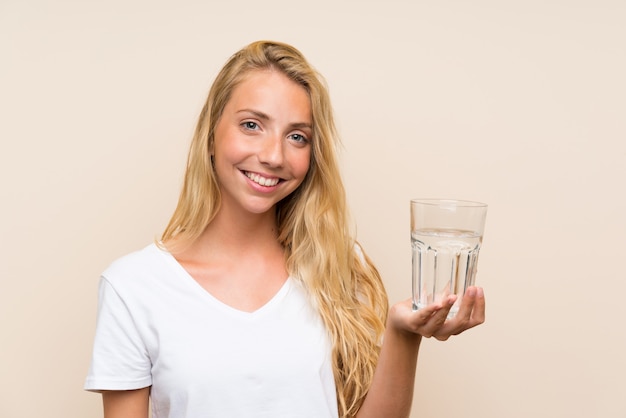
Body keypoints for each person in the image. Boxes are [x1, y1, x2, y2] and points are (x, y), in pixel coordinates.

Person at [84, 40, 486, 418]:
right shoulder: (133, 287)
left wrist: (403, 334)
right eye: (251, 125)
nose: (273, 155)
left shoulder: (339, 264)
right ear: (211, 134)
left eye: (297, 137)